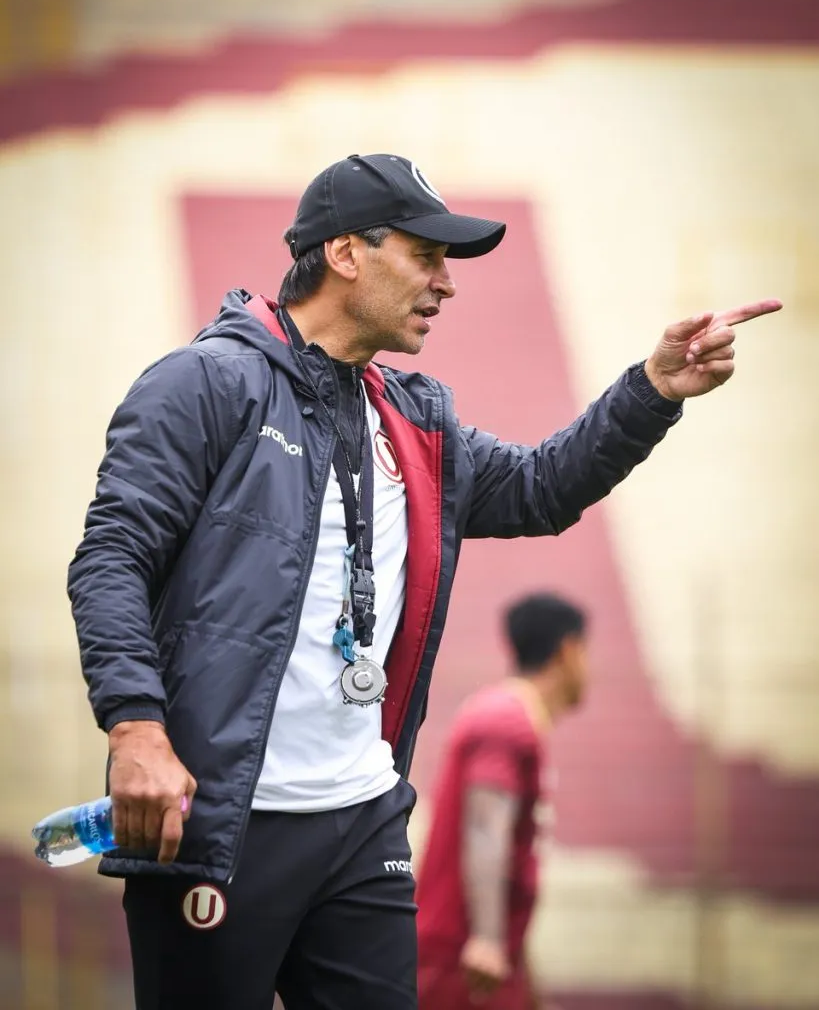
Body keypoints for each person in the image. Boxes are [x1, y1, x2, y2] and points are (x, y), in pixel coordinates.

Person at [67, 151, 780, 1010]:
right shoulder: (205, 382)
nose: (445, 283)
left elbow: (541, 487)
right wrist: (136, 730)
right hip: (223, 827)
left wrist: (651, 392)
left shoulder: (412, 416)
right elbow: (111, 555)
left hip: (364, 818)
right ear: (344, 254)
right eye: (426, 256)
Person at [416, 592, 588, 1010]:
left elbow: (509, 861)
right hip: (463, 960)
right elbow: (485, 832)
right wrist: (489, 942)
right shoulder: (506, 721)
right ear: (568, 651)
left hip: (482, 959)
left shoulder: (516, 718)